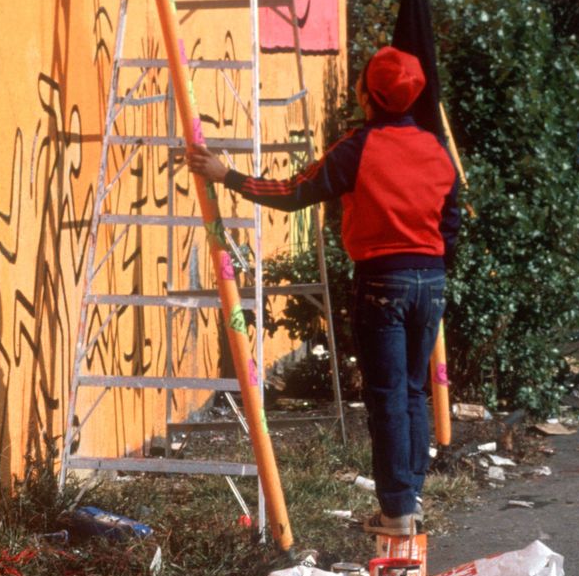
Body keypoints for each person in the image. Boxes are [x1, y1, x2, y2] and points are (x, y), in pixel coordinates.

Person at [186, 46, 459, 534]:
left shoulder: (359, 147)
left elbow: (294, 192)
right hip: (431, 278)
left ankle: (396, 510)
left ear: (366, 95)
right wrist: (433, 263)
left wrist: (227, 175)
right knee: (414, 390)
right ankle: (408, 500)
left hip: (383, 279)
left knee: (389, 395)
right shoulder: (436, 149)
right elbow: (452, 221)